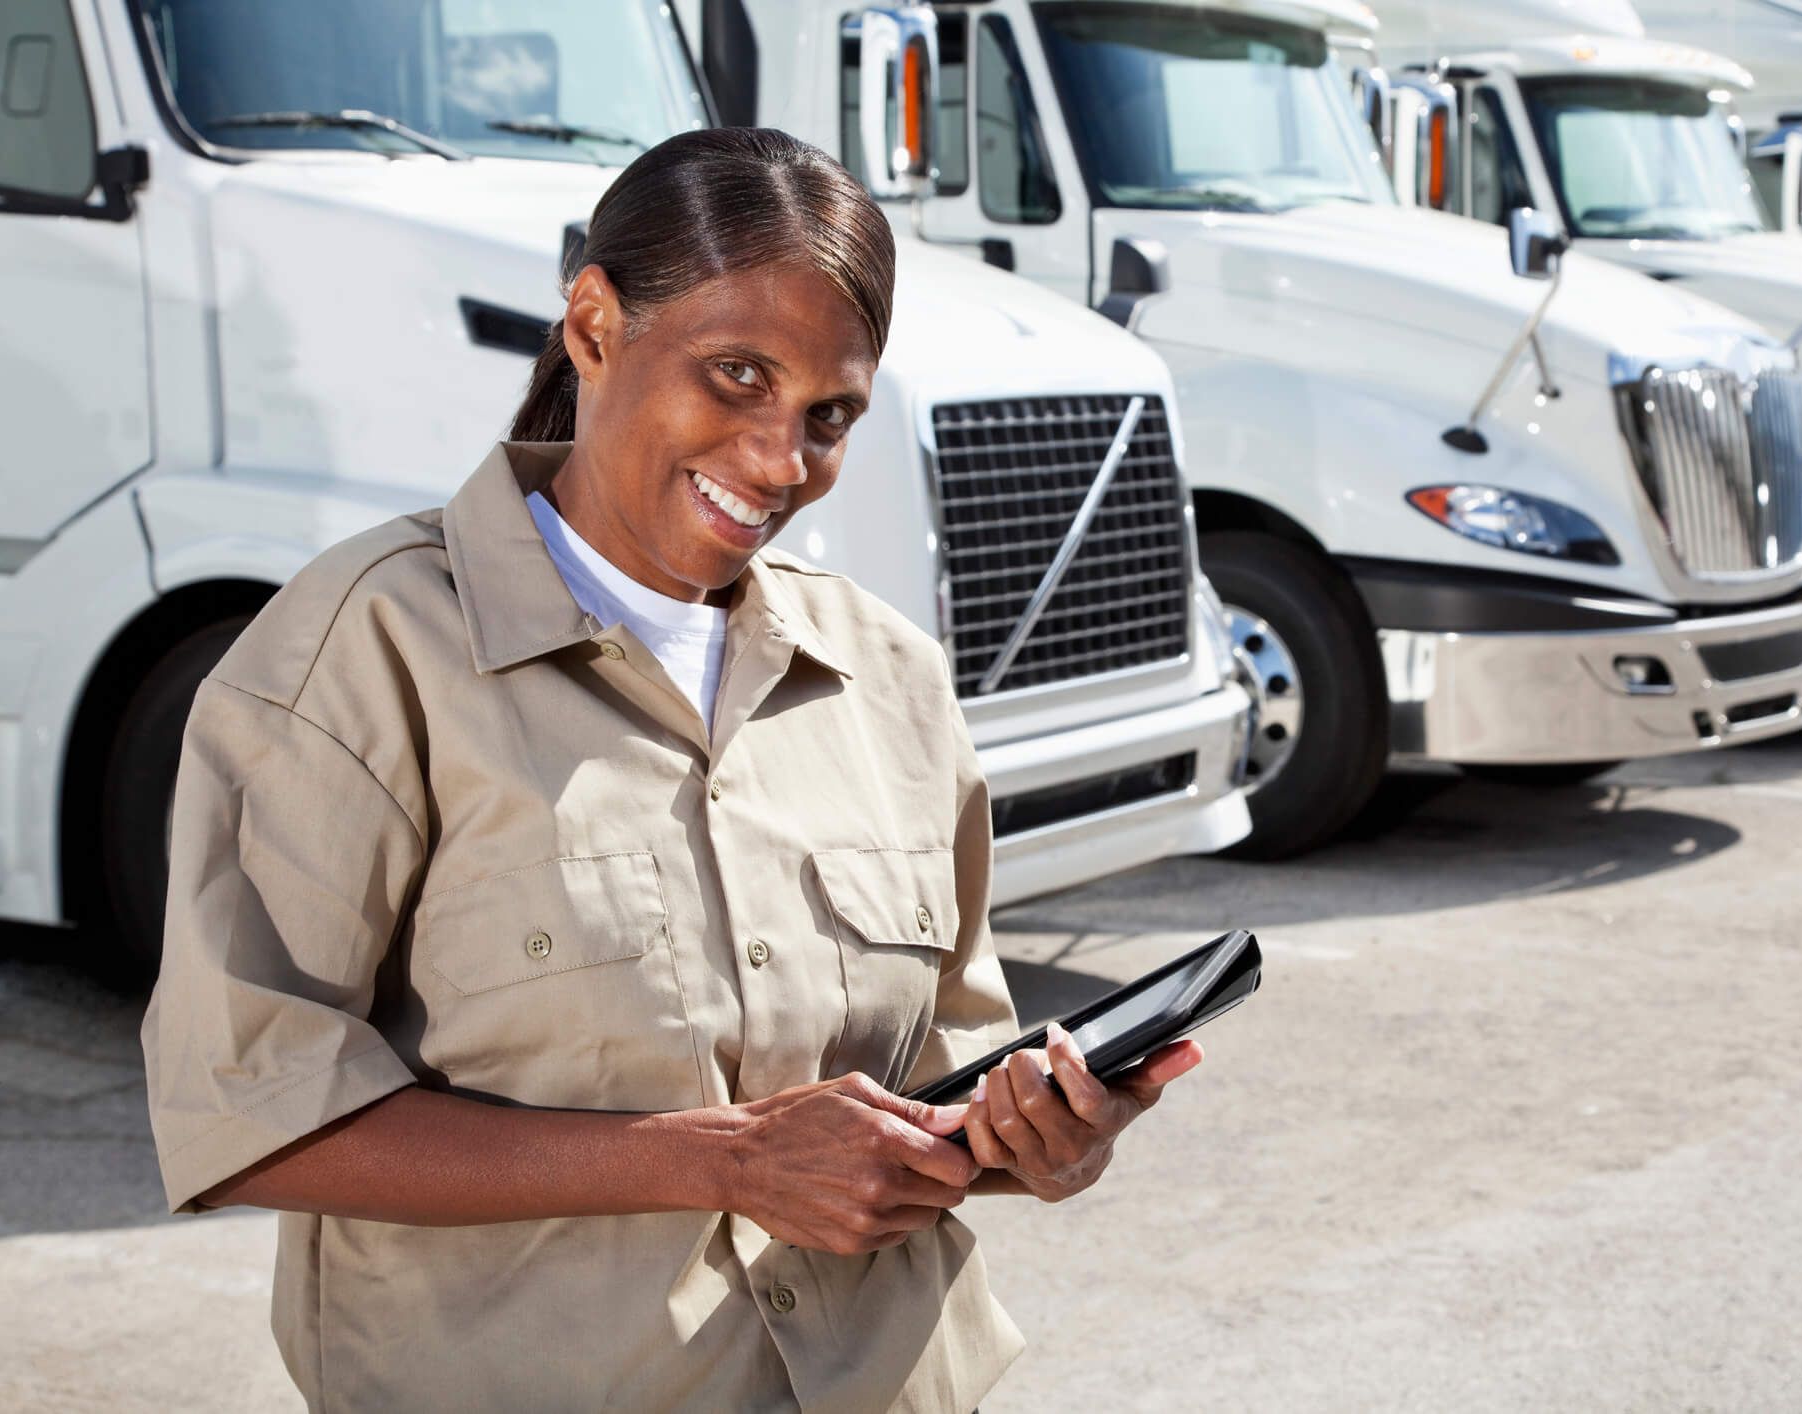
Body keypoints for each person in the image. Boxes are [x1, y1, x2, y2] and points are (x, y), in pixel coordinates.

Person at [140, 128, 1202, 1413]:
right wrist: (725, 1160)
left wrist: (1033, 1137)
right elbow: (253, 1109)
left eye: (830, 416)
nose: (779, 459)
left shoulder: (895, 682)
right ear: (591, 325)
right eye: (736, 374)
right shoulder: (362, 653)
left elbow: (936, 1086)